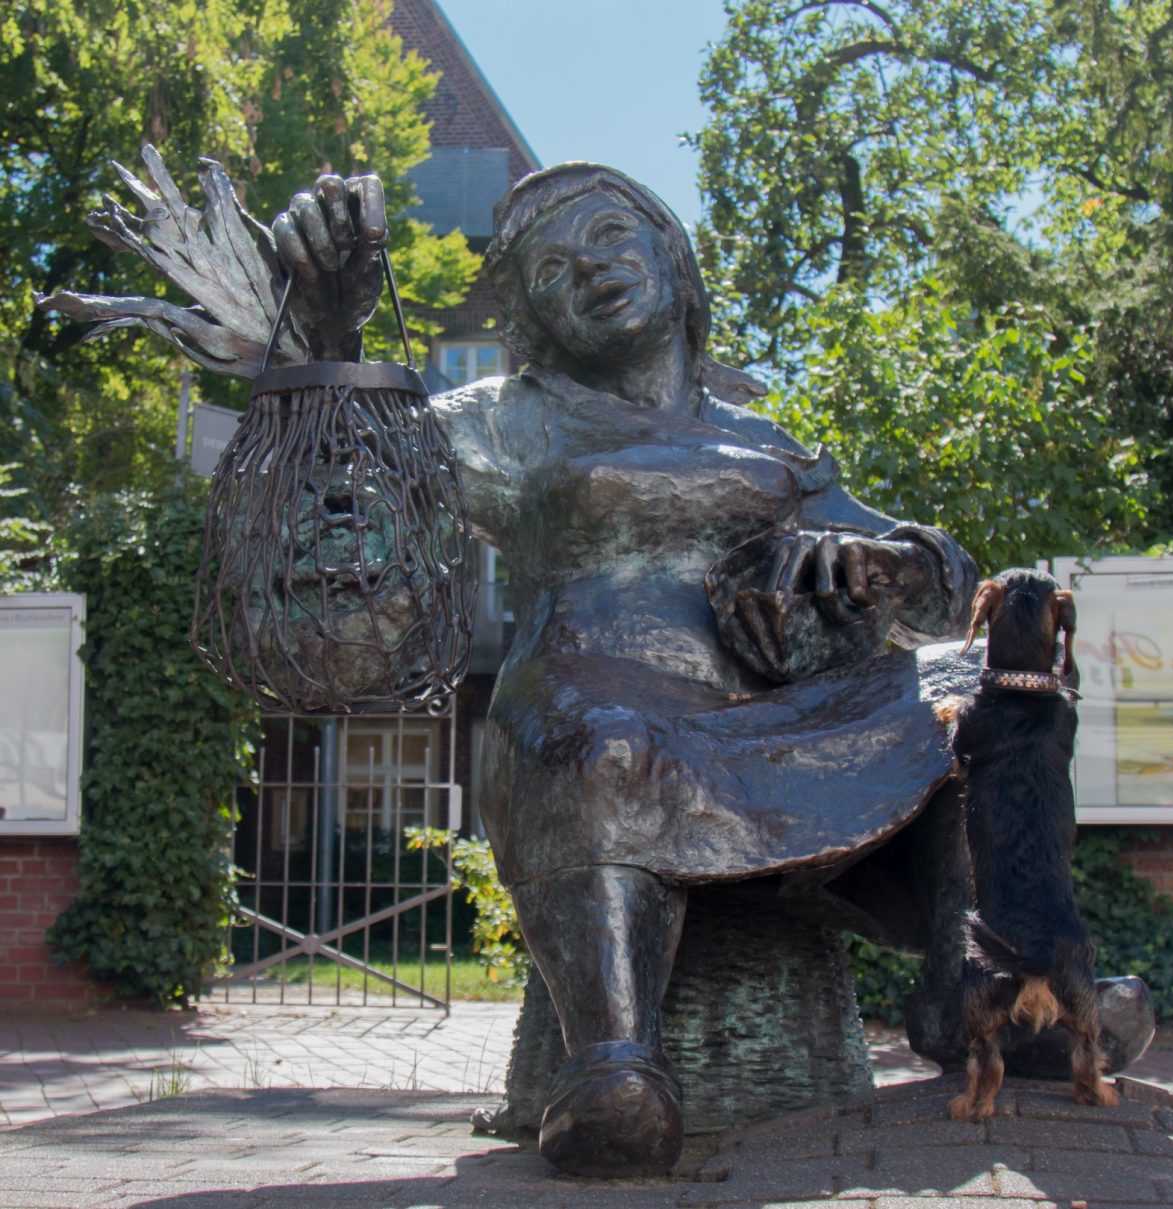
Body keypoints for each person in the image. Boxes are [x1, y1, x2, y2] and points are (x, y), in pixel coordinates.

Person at [274, 163, 982, 1176]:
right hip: (594, 712)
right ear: (535, 320)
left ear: (670, 255)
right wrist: (328, 340)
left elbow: (940, 596)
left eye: (609, 236)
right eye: (552, 270)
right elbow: (354, 485)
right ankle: (612, 1068)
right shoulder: (507, 418)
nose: (591, 271)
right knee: (604, 744)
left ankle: (982, 981)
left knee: (988, 686)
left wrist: (878, 562)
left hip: (773, 735)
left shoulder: (765, 441)